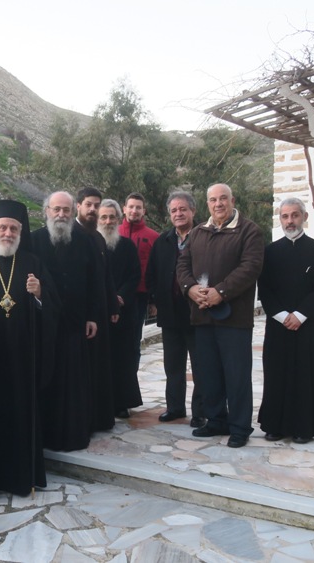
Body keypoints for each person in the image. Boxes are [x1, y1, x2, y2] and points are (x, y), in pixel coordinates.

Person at [0, 200, 54, 497]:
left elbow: (52, 308)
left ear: (20, 232)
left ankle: (20, 478)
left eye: (13, 229)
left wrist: (40, 294)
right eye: (3, 227)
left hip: (21, 359)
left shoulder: (33, 263)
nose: (8, 233)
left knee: (20, 416)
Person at [176, 183, 264, 449]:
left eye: (223, 198)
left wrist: (221, 292)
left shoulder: (249, 231)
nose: (218, 204)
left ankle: (239, 427)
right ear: (207, 204)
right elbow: (182, 264)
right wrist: (190, 289)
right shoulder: (198, 232)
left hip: (234, 319)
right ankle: (216, 420)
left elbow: (250, 267)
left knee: (236, 376)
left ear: (232, 200)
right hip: (202, 315)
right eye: (213, 200)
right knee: (208, 373)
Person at [31, 191, 103, 451]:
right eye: (56, 209)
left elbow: (95, 281)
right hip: (43, 324)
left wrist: (92, 316)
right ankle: (45, 434)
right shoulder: (33, 240)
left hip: (75, 322)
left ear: (73, 212)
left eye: (66, 210)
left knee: (73, 382)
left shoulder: (85, 240)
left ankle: (72, 434)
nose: (61, 214)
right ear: (47, 212)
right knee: (46, 376)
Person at [257, 198, 314, 444]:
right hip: (277, 324)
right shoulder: (269, 252)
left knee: (304, 375)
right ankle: (274, 425)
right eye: (285, 216)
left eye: (295, 215)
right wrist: (281, 316)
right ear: (280, 219)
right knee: (276, 373)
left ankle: (304, 428)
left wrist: (299, 315)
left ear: (304, 217)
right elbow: (264, 289)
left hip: (305, 324)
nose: (290, 221)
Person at [146, 190, 203, 427]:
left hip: (198, 313)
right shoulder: (163, 241)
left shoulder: (205, 237)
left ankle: (200, 412)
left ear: (193, 211)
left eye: (183, 209)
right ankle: (175, 407)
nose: (178, 214)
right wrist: (154, 300)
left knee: (201, 366)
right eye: (174, 210)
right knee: (173, 365)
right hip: (170, 314)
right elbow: (152, 273)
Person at [75, 187, 118, 430]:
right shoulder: (71, 235)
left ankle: (99, 418)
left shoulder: (98, 237)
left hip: (100, 312)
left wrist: (112, 305)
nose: (93, 209)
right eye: (88, 204)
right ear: (78, 206)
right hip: (81, 315)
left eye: (96, 205)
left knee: (100, 366)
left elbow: (105, 275)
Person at [99, 199, 143, 418]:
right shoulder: (90, 244)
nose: (108, 221)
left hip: (123, 311)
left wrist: (119, 298)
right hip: (98, 310)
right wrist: (106, 299)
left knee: (122, 359)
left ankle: (121, 403)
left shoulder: (127, 246)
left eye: (112, 217)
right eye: (104, 217)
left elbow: (135, 275)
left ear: (119, 219)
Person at [120, 192, 159, 352]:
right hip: (115, 294)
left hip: (139, 296)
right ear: (124, 209)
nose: (134, 211)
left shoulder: (153, 237)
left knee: (133, 341)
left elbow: (156, 270)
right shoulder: (113, 232)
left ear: (144, 211)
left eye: (138, 207)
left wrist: (153, 300)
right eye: (131, 207)